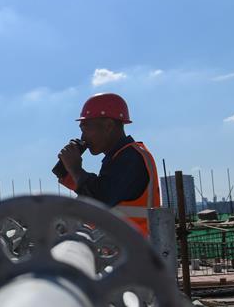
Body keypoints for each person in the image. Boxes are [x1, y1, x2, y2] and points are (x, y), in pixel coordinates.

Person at [54, 92, 160, 237]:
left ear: (108, 126)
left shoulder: (131, 157)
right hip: (125, 246)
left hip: (135, 247)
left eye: (85, 129)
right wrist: (67, 171)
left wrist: (75, 169)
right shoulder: (118, 158)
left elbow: (100, 201)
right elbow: (99, 191)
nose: (83, 137)